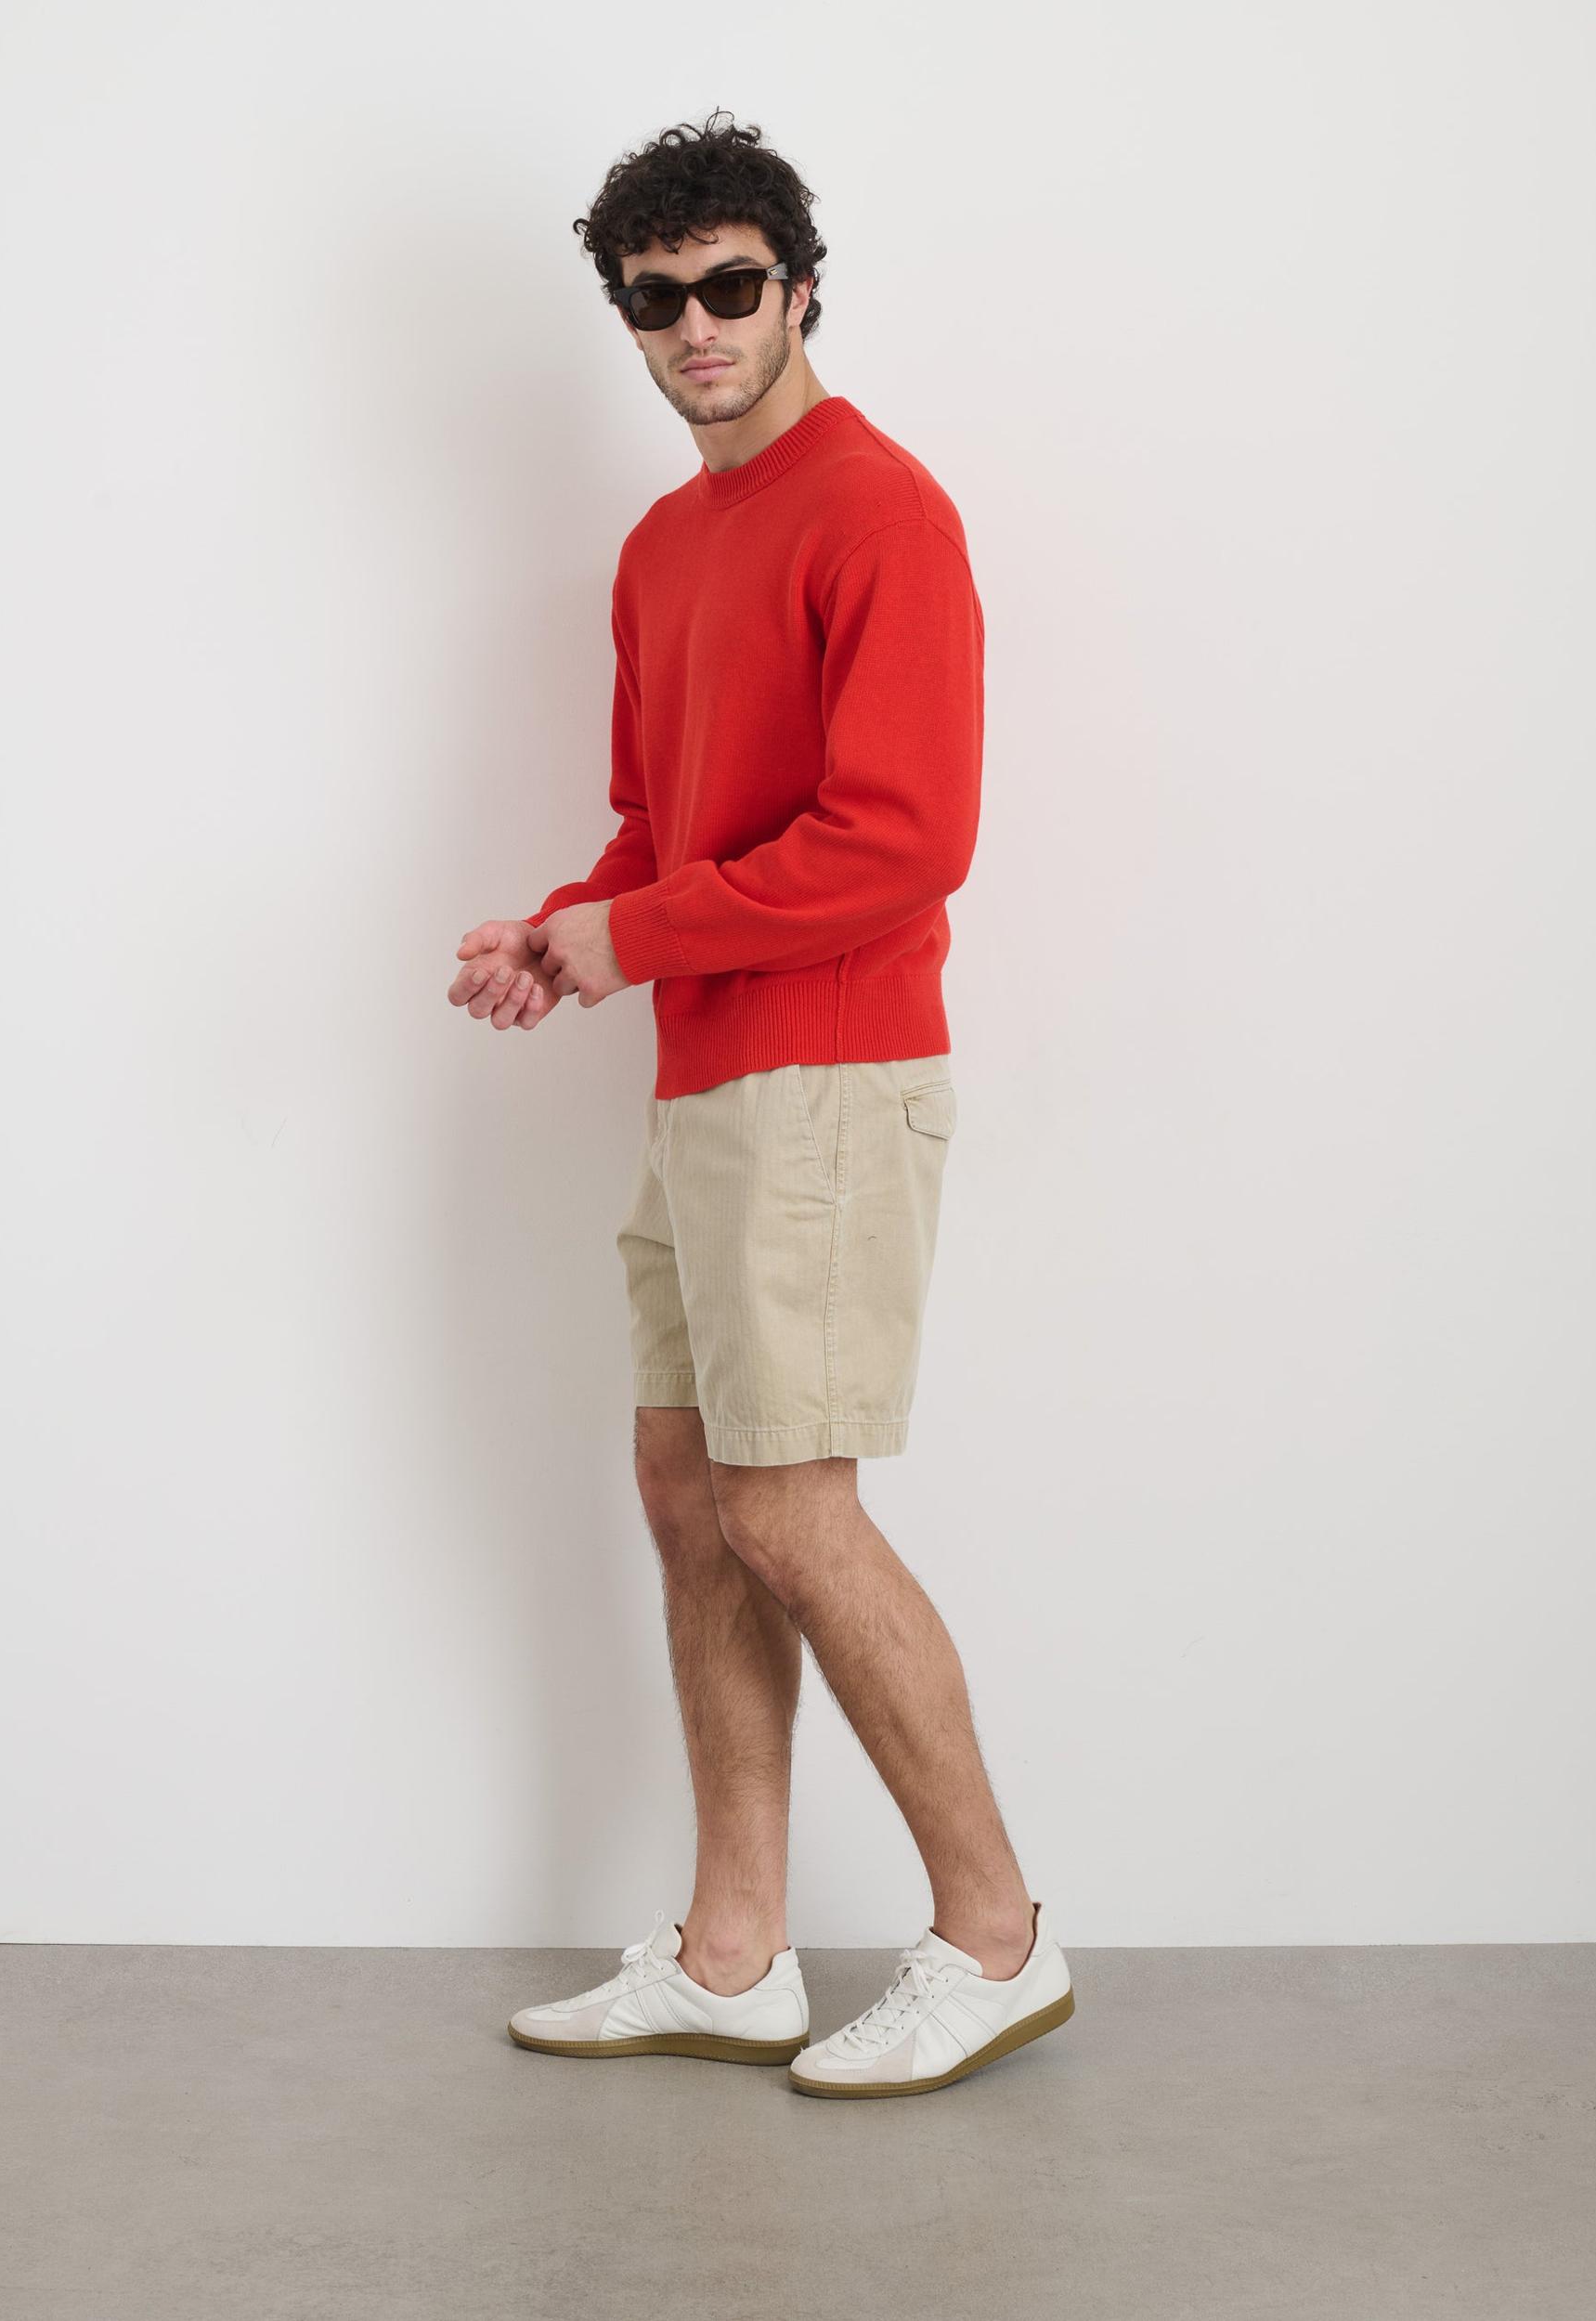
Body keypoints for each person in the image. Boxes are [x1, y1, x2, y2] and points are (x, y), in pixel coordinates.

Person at [447, 110, 1073, 2098]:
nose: (697, 326)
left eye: (731, 286)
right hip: (703, 1078)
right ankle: (734, 1956)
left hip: (829, 1074)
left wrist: (636, 935)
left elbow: (902, 840)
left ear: (800, 291)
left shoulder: (878, 512)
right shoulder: (660, 549)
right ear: (629, 322)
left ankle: (995, 1933)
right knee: (684, 1486)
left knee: (791, 1507)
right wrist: (562, 932)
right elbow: (662, 827)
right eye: (658, 301)